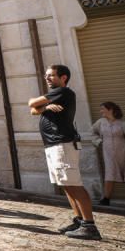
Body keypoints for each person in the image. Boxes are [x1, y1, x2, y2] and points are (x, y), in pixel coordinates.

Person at [28, 64, 100, 240]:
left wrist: (40, 106)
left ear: (63, 78)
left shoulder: (63, 92)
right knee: (67, 185)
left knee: (74, 184)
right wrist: (46, 108)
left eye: (51, 75)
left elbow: (31, 102)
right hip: (54, 145)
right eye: (46, 75)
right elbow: (33, 110)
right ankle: (79, 221)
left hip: (63, 144)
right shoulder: (55, 96)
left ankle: (90, 226)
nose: (47, 78)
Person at [91, 101, 125, 208]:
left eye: (103, 109)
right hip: (108, 154)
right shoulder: (100, 122)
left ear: (110, 109)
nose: (101, 111)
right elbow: (92, 133)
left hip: (124, 154)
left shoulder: (124, 123)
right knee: (109, 175)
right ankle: (106, 199)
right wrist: (98, 141)